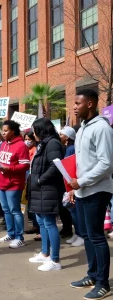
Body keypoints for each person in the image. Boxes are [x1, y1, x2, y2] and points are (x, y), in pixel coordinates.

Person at [69, 89, 113, 299]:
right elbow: (80, 162)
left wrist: (82, 181)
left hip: (97, 190)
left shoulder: (102, 128)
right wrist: (73, 187)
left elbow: (106, 163)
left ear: (90, 104)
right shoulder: (82, 128)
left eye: (78, 103)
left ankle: (103, 283)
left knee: (96, 236)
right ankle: (92, 275)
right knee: (86, 235)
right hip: (82, 191)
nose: (74, 106)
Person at [28, 118, 65, 271]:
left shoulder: (52, 143)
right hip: (40, 189)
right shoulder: (44, 143)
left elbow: (55, 165)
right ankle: (45, 253)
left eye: (35, 130)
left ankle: (55, 260)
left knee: (49, 223)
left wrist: (40, 179)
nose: (33, 134)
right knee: (42, 222)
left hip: (47, 188)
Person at [0, 120, 30, 249]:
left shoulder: (21, 146)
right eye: (2, 131)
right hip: (1, 182)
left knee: (15, 210)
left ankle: (19, 237)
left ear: (13, 131)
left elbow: (26, 165)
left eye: (5, 131)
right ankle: (10, 233)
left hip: (13, 184)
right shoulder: (4, 144)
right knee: (6, 210)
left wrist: (10, 169)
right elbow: (1, 160)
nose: (3, 133)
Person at [60, 126, 84, 247]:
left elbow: (71, 168)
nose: (60, 137)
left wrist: (71, 188)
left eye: (62, 135)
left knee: (74, 210)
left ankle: (81, 235)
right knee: (72, 210)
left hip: (72, 185)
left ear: (68, 137)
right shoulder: (68, 148)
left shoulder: (71, 149)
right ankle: (77, 233)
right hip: (69, 184)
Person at [24, 131, 40, 240]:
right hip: (28, 179)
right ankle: (35, 225)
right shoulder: (27, 149)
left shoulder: (35, 150)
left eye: (29, 139)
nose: (27, 141)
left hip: (33, 178)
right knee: (30, 204)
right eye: (25, 139)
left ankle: (39, 228)